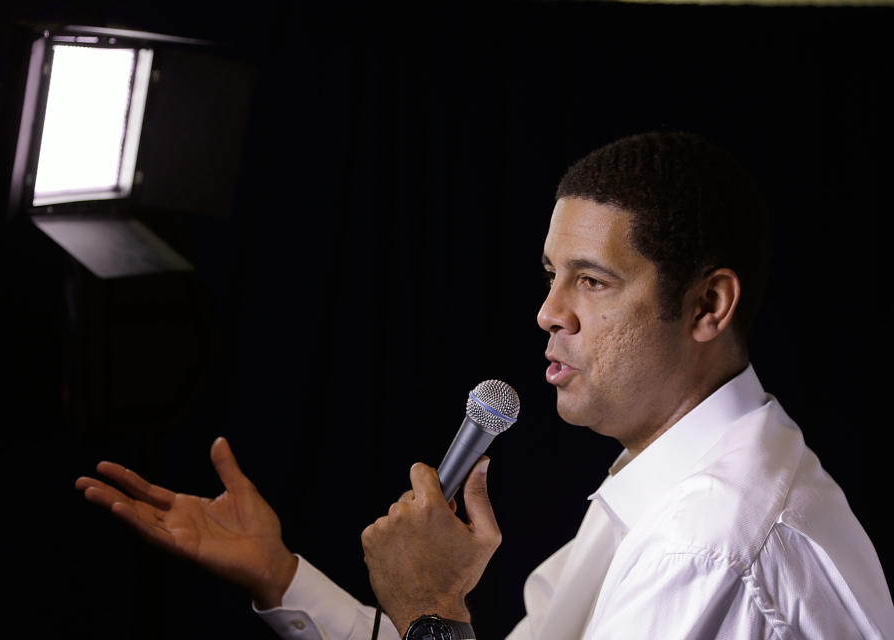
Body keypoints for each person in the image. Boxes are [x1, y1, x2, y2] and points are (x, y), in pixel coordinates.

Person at [76, 131, 894, 639]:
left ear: (708, 305)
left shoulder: (708, 538)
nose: (548, 313)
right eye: (550, 276)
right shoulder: (674, 482)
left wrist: (433, 609)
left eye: (594, 282)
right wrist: (281, 577)